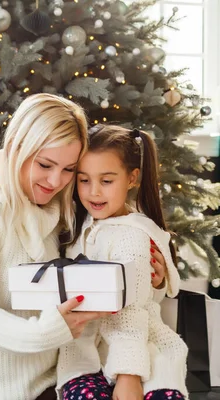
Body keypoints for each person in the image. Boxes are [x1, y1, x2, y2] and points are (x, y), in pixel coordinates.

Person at [0, 93, 110, 400]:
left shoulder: (56, 206)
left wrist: (157, 271)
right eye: (45, 164)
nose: (56, 180)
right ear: (16, 146)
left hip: (50, 384)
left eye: (69, 169)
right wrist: (43, 332)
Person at [56, 124, 187, 400]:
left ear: (132, 178)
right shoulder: (75, 222)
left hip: (139, 352)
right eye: (83, 180)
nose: (93, 192)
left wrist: (129, 376)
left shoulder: (132, 235)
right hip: (84, 353)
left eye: (106, 181)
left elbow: (132, 312)